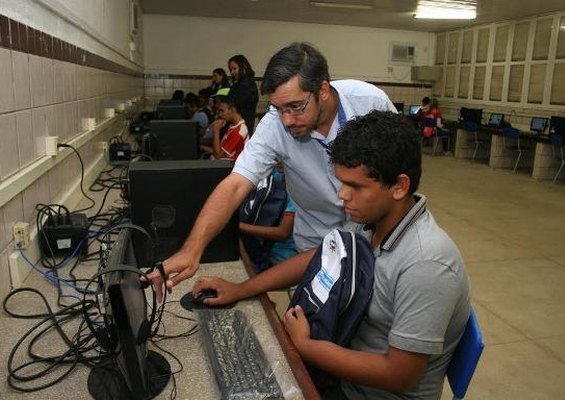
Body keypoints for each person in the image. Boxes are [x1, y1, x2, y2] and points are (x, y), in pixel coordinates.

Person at [192, 110, 471, 400]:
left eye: (356, 186)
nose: (342, 195)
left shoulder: (427, 264)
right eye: (341, 182)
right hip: (341, 369)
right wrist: (242, 288)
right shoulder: (371, 219)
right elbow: (321, 256)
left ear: (399, 186)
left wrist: (306, 345)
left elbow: (399, 375)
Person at [146, 42, 396, 296]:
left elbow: (399, 178)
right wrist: (192, 249)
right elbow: (235, 185)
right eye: (278, 108)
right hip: (314, 243)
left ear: (322, 90)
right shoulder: (274, 125)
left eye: (296, 106)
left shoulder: (370, 103)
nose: (286, 120)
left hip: (375, 240)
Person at [239, 166, 297, 272]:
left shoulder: (297, 192)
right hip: (262, 250)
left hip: (282, 258)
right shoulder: (275, 175)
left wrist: (239, 226)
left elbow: (283, 233)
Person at [200, 95, 248, 160]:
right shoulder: (232, 125)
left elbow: (218, 156)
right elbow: (218, 149)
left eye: (222, 111)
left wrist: (216, 130)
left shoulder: (239, 131)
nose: (220, 114)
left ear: (232, 110)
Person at [227, 54, 259, 135]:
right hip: (240, 124)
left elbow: (236, 103)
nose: (232, 72)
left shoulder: (247, 84)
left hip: (243, 125)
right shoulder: (241, 83)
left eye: (234, 68)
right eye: (231, 69)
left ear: (243, 67)